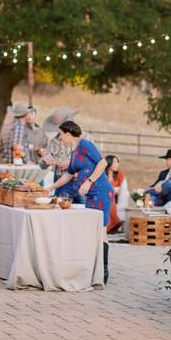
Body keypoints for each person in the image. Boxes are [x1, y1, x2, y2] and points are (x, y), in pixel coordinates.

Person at [44, 120, 113, 284]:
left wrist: (89, 181)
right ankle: (95, 270)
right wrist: (50, 188)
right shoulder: (75, 152)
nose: (60, 139)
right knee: (92, 231)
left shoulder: (85, 144)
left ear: (68, 134)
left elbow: (103, 163)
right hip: (91, 195)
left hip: (100, 191)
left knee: (100, 230)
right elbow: (68, 175)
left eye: (61, 135)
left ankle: (103, 272)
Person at [39, 108, 89, 202]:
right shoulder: (53, 141)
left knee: (84, 213)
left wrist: (71, 164)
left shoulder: (86, 138)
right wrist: (44, 161)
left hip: (82, 182)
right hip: (61, 184)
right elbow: (42, 166)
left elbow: (93, 162)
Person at [104, 155, 125, 233]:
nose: (117, 164)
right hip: (104, 195)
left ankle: (113, 224)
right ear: (109, 163)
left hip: (113, 196)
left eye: (117, 162)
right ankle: (116, 222)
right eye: (115, 162)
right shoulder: (102, 174)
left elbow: (119, 190)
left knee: (110, 199)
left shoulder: (119, 174)